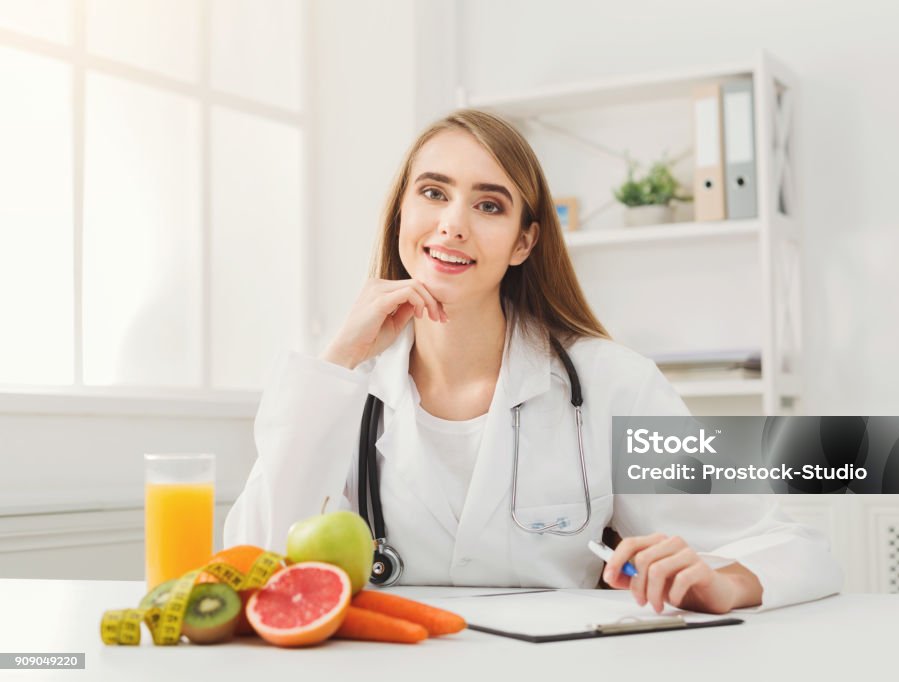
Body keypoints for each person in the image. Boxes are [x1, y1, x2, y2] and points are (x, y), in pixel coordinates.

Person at [223, 109, 842, 614]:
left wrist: (727, 582)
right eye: (433, 193)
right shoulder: (342, 386)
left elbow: (796, 546)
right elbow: (250, 559)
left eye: (489, 205)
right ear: (402, 214)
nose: (452, 224)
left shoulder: (613, 383)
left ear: (524, 241)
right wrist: (336, 360)